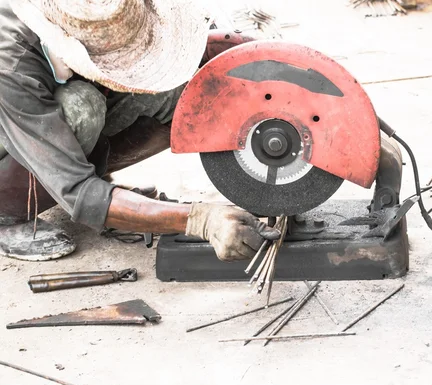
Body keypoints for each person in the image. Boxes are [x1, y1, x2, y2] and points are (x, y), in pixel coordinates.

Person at [0, 0, 280, 262]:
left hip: (39, 114)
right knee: (82, 106)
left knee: (175, 93)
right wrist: (200, 220)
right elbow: (78, 190)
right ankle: (8, 215)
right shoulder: (11, 66)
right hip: (12, 134)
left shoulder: (82, 14)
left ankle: (95, 185)